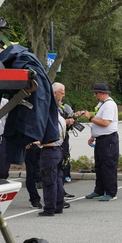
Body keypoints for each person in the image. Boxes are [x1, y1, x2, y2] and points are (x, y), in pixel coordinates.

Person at [80, 82, 119, 202]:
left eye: (96, 93)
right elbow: (100, 122)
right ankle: (99, 190)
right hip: (101, 139)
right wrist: (93, 136)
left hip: (108, 139)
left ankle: (111, 193)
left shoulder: (109, 105)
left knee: (108, 165)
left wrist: (90, 118)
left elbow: (106, 123)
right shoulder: (102, 104)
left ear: (102, 93)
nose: (95, 95)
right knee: (99, 166)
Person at [37, 85, 68, 217]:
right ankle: (58, 206)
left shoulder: (51, 121)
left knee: (49, 181)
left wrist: (37, 143)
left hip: (50, 151)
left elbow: (51, 139)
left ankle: (49, 208)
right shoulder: (61, 119)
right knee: (58, 180)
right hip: (59, 151)